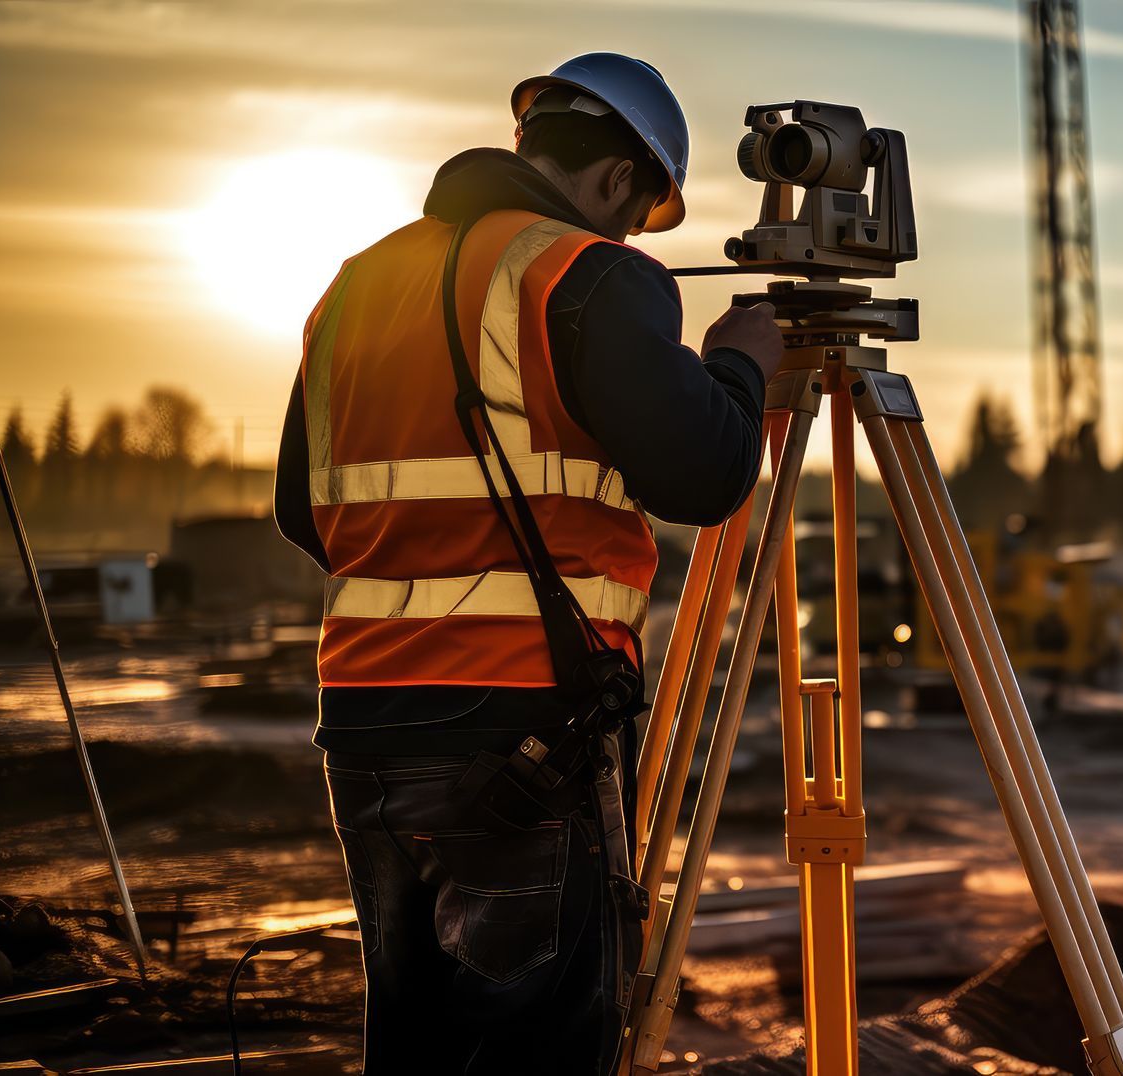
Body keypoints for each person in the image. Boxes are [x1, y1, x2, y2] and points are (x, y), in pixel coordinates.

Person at [272, 54, 782, 1074]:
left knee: (417, 1045)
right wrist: (741, 367)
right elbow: (706, 473)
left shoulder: (356, 283)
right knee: (535, 1047)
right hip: (521, 733)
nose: (633, 236)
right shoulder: (586, 273)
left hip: (369, 725)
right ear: (615, 180)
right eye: (637, 212)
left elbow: (303, 508)